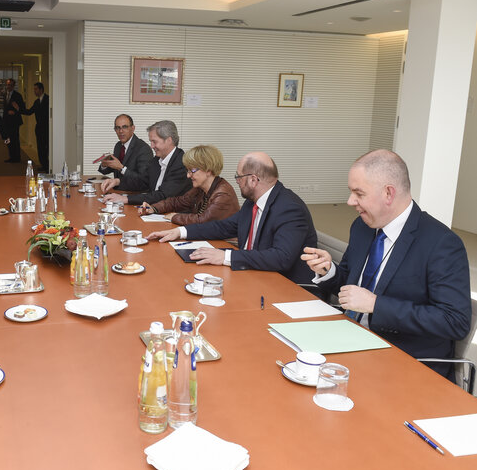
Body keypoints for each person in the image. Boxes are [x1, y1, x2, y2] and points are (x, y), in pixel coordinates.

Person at [302, 150, 471, 380]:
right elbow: (352, 290)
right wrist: (329, 271)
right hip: (349, 340)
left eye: (358, 193)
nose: (350, 201)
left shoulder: (441, 243)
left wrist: (376, 305)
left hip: (402, 361)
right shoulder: (362, 227)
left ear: (388, 193)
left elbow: (455, 322)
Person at [147, 151, 317, 284]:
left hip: (286, 286)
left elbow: (281, 258)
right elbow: (223, 227)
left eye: (238, 176)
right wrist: (180, 232)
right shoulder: (253, 202)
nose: (236, 181)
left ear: (253, 180)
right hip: (254, 275)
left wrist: (226, 257)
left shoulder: (290, 209)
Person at [138, 145, 239, 225]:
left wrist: (175, 217)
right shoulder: (200, 189)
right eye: (188, 170)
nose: (188, 175)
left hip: (225, 243)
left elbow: (203, 221)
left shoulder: (223, 194)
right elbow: (177, 202)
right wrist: (153, 208)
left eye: (192, 171)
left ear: (208, 170)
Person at [101, 120, 192, 205]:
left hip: (172, 214)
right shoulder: (156, 160)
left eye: (154, 142)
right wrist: (117, 181)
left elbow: (163, 196)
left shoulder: (181, 163)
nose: (151, 146)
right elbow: (142, 181)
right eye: (150, 142)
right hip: (155, 210)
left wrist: (126, 199)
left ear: (169, 140)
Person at [97, 114, 152, 184]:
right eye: (117, 128)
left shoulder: (143, 149)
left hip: (135, 192)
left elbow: (143, 180)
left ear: (133, 128)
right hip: (118, 190)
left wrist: (121, 168)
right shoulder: (118, 145)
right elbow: (114, 167)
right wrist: (104, 164)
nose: (121, 131)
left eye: (124, 127)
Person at [17, 81, 49, 172]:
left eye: (36, 89)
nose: (34, 91)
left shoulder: (48, 100)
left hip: (47, 129)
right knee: (40, 148)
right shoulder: (36, 102)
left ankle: (48, 166)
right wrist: (19, 110)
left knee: (46, 148)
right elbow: (29, 112)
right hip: (39, 129)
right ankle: (44, 165)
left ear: (41, 89)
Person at [2, 78, 25, 163]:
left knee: (15, 139)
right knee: (7, 139)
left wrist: (15, 111)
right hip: (6, 121)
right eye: (8, 85)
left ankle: (17, 157)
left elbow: (22, 108)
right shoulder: (4, 94)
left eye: (11, 85)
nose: (9, 87)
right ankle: (11, 156)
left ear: (13, 86)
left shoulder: (18, 95)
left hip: (14, 121)